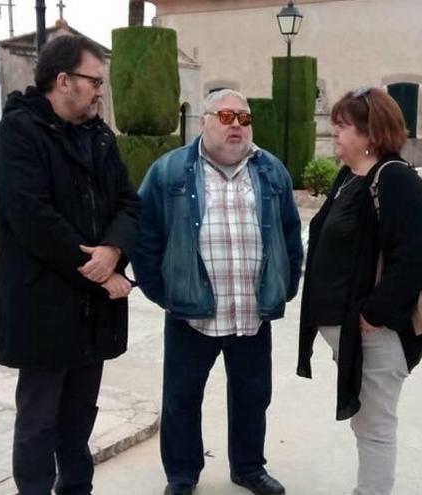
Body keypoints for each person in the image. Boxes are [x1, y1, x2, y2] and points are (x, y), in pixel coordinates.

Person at [0, 35, 141, 495]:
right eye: (94, 81)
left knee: (78, 420)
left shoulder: (100, 136)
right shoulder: (18, 132)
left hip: (91, 314)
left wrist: (113, 249)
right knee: (38, 421)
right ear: (63, 80)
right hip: (42, 308)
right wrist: (100, 270)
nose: (100, 91)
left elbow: (129, 203)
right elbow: (32, 219)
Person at [132, 89, 303, 495]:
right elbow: (144, 235)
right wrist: (163, 292)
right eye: (226, 116)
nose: (237, 126)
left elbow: (291, 235)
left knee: (252, 396)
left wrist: (285, 285)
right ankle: (182, 474)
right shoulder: (170, 171)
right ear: (203, 121)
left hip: (251, 312)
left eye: (244, 119)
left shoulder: (271, 171)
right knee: (181, 398)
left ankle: (247, 467)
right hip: (192, 313)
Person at [297, 87, 422, 495]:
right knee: (367, 423)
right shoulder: (349, 176)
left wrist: (375, 313)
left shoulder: (394, 179)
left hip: (375, 334)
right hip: (347, 330)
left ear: (371, 133)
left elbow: (418, 253)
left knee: (375, 427)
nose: (335, 134)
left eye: (343, 126)